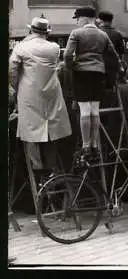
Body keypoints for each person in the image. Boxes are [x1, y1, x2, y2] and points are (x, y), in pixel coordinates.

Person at [10, 17, 72, 183]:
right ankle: (51, 169)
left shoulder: (21, 47)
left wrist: (16, 88)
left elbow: (12, 71)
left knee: (29, 132)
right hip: (51, 94)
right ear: (46, 32)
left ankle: (37, 168)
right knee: (50, 132)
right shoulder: (54, 47)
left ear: (31, 30)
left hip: (29, 94)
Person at [64, 7, 120, 159]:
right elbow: (114, 55)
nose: (77, 21)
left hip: (81, 73)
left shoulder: (76, 33)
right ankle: (95, 145)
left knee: (84, 110)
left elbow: (67, 54)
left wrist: (72, 67)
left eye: (78, 18)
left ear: (85, 18)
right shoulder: (102, 34)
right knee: (95, 110)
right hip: (98, 73)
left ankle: (86, 145)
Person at [97, 11, 126, 89]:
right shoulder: (117, 34)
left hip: (98, 66)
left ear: (101, 20)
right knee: (111, 92)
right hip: (112, 69)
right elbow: (121, 54)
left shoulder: (97, 32)